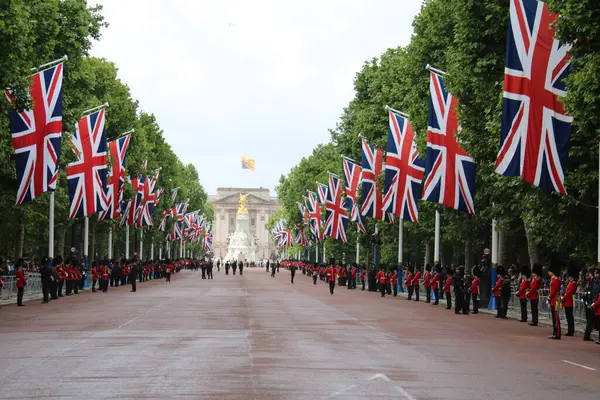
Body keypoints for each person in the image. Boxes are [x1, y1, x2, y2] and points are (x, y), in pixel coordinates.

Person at [562, 264, 579, 337]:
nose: (568, 278)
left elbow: (569, 293)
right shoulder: (570, 283)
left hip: (569, 302)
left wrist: (563, 297)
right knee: (568, 317)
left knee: (569, 318)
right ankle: (570, 330)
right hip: (567, 302)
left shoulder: (573, 284)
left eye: (569, 277)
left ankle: (570, 331)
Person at [547, 263, 562, 340]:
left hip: (555, 300)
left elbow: (554, 290)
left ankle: (557, 333)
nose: (548, 272)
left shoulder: (555, 279)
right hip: (553, 299)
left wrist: (549, 297)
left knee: (556, 318)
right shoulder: (553, 279)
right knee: (554, 318)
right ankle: (554, 333)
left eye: (549, 271)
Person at [582, 268, 597, 341]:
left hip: (592, 302)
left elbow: (593, 293)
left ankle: (587, 335)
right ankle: (587, 335)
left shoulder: (594, 281)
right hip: (589, 303)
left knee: (591, 320)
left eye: (590, 273)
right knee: (590, 320)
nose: (589, 274)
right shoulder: (590, 281)